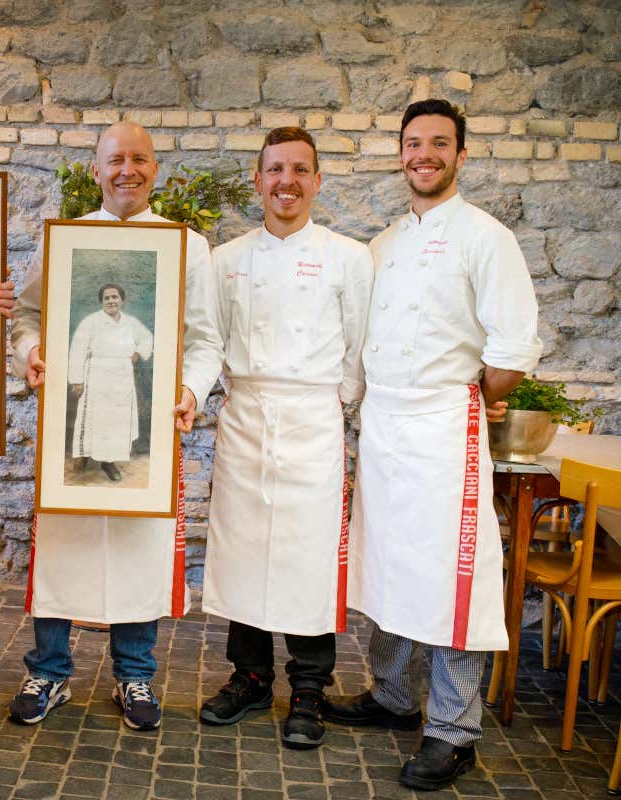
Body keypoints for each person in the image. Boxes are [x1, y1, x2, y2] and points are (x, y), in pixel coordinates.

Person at [326, 99, 542, 791]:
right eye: (414, 143)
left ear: (461, 155)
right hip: (385, 424)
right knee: (387, 560)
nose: (425, 154)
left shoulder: (487, 237)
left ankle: (453, 729)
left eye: (439, 144)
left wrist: (475, 392)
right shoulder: (383, 244)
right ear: (400, 153)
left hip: (448, 426)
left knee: (454, 575)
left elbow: (513, 347)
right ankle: (392, 696)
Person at [5, 121, 220, 730]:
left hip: (146, 427)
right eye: (115, 160)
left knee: (136, 547)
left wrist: (189, 389)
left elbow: (204, 339)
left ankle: (135, 676)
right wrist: (31, 353)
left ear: (156, 170)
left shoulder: (187, 246)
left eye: (139, 160)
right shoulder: (65, 241)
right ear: (95, 171)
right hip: (70, 420)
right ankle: (49, 671)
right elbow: (26, 316)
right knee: (64, 547)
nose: (127, 170)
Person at [179, 127, 373, 748]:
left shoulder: (349, 257)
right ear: (258, 180)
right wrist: (191, 392)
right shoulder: (226, 259)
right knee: (241, 552)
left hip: (313, 418)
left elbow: (360, 345)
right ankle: (250, 677)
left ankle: (310, 689)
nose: (286, 181)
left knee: (307, 557)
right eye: (274, 170)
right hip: (246, 413)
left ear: (318, 180)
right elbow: (208, 340)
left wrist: (336, 402)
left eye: (299, 170)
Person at [67, 283, 153, 482]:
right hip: (96, 376)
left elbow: (147, 338)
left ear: (122, 300)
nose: (111, 301)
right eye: (106, 298)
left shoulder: (131, 323)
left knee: (116, 422)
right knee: (92, 419)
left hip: (122, 378)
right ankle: (83, 455)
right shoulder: (91, 322)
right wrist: (77, 380)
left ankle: (109, 462)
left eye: (115, 297)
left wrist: (138, 353)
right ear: (101, 302)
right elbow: (77, 349)